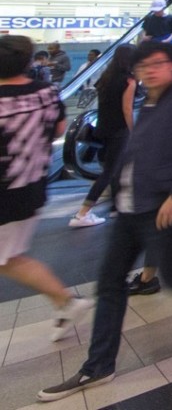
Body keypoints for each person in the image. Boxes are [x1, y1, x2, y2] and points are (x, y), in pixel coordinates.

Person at [38, 42, 172, 403]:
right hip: (130, 207)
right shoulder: (150, 101)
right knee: (110, 283)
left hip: (163, 207)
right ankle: (98, 365)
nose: (149, 71)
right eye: (144, 65)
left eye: (158, 64)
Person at [0, 36, 94, 344]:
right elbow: (58, 129)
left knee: (10, 259)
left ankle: (66, 301)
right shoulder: (46, 92)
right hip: (31, 187)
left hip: (6, 192)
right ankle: (64, 303)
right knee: (10, 256)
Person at [69, 45, 137, 228]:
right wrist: (133, 130)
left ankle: (117, 207)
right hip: (119, 131)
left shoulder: (105, 79)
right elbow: (127, 109)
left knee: (114, 168)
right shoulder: (129, 81)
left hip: (103, 129)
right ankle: (83, 212)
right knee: (109, 173)